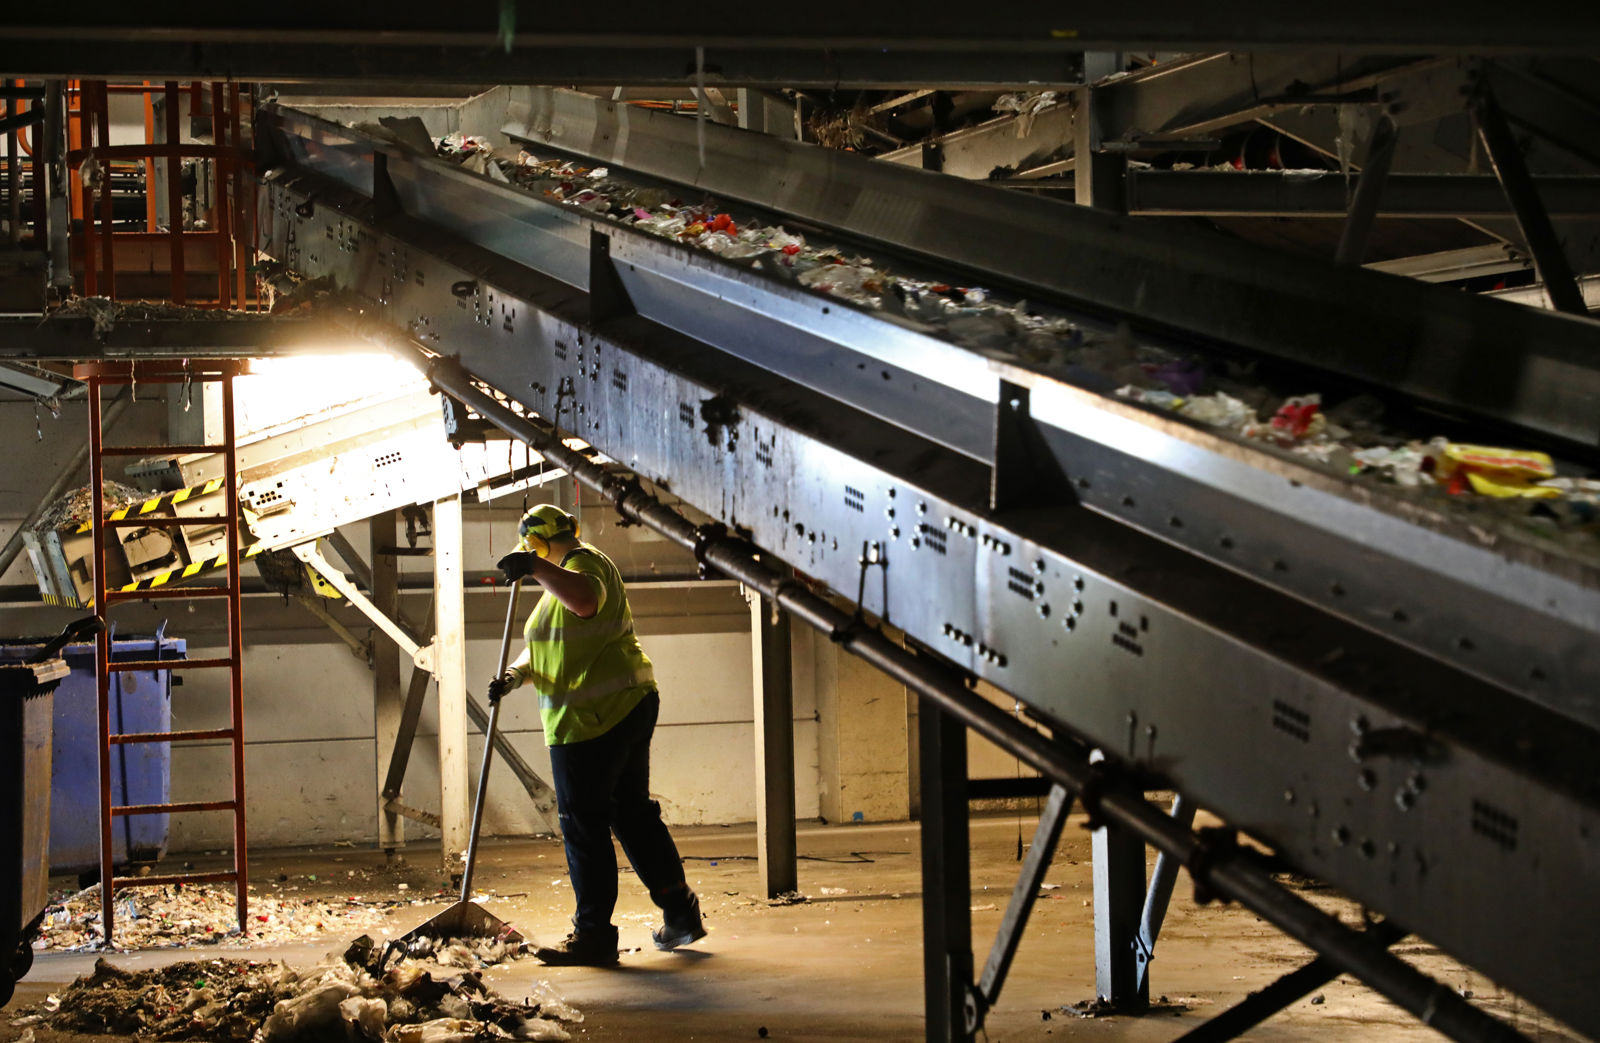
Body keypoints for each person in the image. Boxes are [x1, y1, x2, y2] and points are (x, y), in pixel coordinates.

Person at [489, 503, 705, 966]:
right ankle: (680, 913)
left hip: (592, 720)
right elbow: (550, 645)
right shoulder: (559, 584)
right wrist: (514, 674)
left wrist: (534, 567)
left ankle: (593, 936)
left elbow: (585, 600)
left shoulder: (583, 564)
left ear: (536, 544)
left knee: (583, 826)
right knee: (632, 815)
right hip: (618, 708)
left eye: (531, 550)